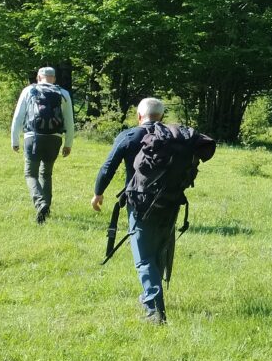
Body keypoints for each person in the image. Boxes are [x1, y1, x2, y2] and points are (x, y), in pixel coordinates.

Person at [90, 97, 213, 324]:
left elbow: (108, 166)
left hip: (141, 204)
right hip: (172, 201)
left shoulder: (130, 135)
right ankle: (150, 295)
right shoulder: (174, 138)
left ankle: (154, 311)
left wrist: (98, 192)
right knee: (158, 249)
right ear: (162, 117)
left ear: (139, 116)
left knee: (143, 258)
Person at [10, 67, 74, 224]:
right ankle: (46, 210)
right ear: (54, 78)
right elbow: (69, 121)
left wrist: (15, 140)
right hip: (55, 139)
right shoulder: (63, 93)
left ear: (39, 77)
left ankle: (40, 203)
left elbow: (18, 117)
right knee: (46, 174)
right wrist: (68, 143)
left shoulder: (29, 90)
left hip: (33, 137)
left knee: (30, 173)